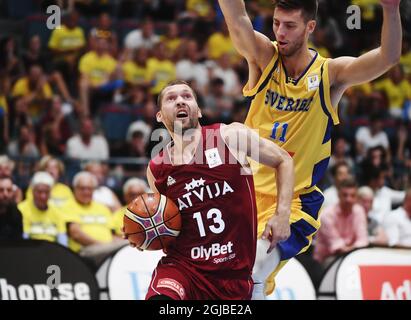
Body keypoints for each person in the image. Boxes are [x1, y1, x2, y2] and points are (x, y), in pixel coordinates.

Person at [218, 0, 402, 298]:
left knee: (256, 262)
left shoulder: (331, 74)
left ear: (310, 27)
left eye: (290, 25)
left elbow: (387, 57)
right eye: (277, 23)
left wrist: (391, 10)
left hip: (294, 200)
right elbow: (236, 17)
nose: (280, 32)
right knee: (232, 280)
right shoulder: (264, 58)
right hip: (244, 193)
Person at [124, 80, 294, 300]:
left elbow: (283, 160)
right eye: (171, 98)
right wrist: (144, 232)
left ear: (199, 110)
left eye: (187, 96)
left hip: (232, 272)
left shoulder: (230, 136)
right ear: (159, 116)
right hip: (184, 269)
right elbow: (166, 221)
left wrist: (282, 214)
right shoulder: (157, 168)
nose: (180, 102)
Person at [313, 178, 369, 267]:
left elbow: (363, 240)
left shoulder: (359, 211)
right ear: (338, 195)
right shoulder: (327, 214)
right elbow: (337, 247)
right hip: (327, 258)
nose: (348, 199)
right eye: (345, 195)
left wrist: (352, 248)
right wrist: (354, 247)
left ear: (356, 197)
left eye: (352, 195)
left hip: (351, 255)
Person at [63, 171, 115, 253]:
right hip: (84, 251)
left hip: (107, 250)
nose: (86, 192)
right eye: (82, 188)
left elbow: (113, 235)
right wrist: (101, 246)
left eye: (89, 188)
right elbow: (76, 234)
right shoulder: (69, 206)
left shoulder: (102, 208)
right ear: (74, 188)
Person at [18, 172, 67, 246]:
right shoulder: (21, 209)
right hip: (30, 250)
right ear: (33, 191)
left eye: (46, 192)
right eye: (39, 192)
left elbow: (62, 239)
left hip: (53, 251)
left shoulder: (57, 211)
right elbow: (24, 238)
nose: (43, 196)